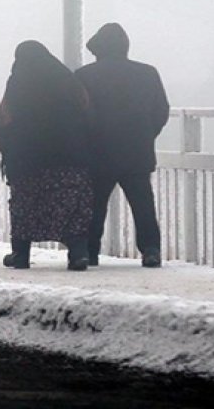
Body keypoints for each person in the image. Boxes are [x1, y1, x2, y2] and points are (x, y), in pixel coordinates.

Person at [0, 40, 94, 271]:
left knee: (25, 206)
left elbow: (4, 121)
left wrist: (11, 149)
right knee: (72, 205)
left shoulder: (18, 82)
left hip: (28, 160)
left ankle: (20, 255)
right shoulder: (68, 80)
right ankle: (77, 254)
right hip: (69, 157)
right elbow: (86, 112)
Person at [74, 23, 170, 268]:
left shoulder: (84, 76)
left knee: (94, 205)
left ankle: (89, 251)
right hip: (136, 151)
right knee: (143, 204)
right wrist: (147, 134)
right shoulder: (148, 73)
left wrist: (86, 141)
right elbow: (161, 110)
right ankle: (151, 250)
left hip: (98, 152)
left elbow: (77, 113)